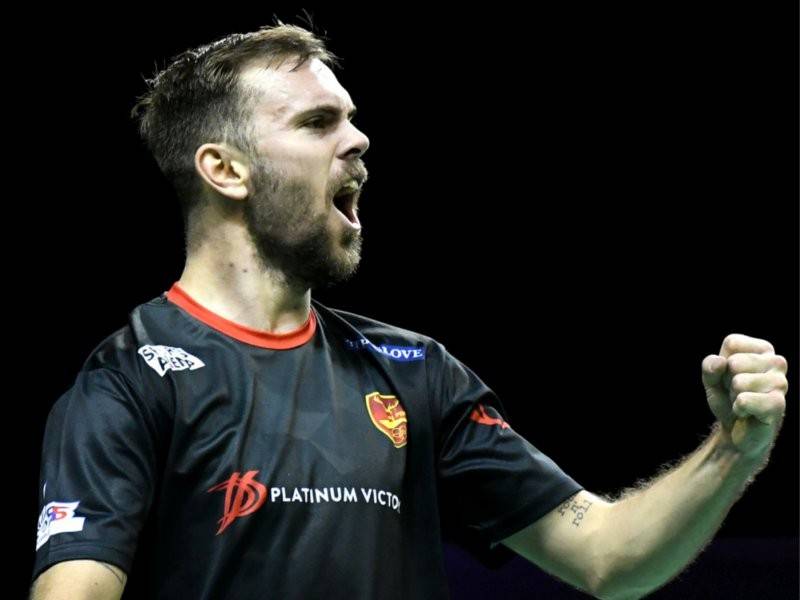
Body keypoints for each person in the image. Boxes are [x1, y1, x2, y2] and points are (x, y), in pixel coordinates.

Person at [29, 23, 788, 600]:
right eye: (317, 123)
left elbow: (608, 559)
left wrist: (732, 452)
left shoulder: (416, 372)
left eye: (350, 118)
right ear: (225, 169)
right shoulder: (130, 381)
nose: (359, 139)